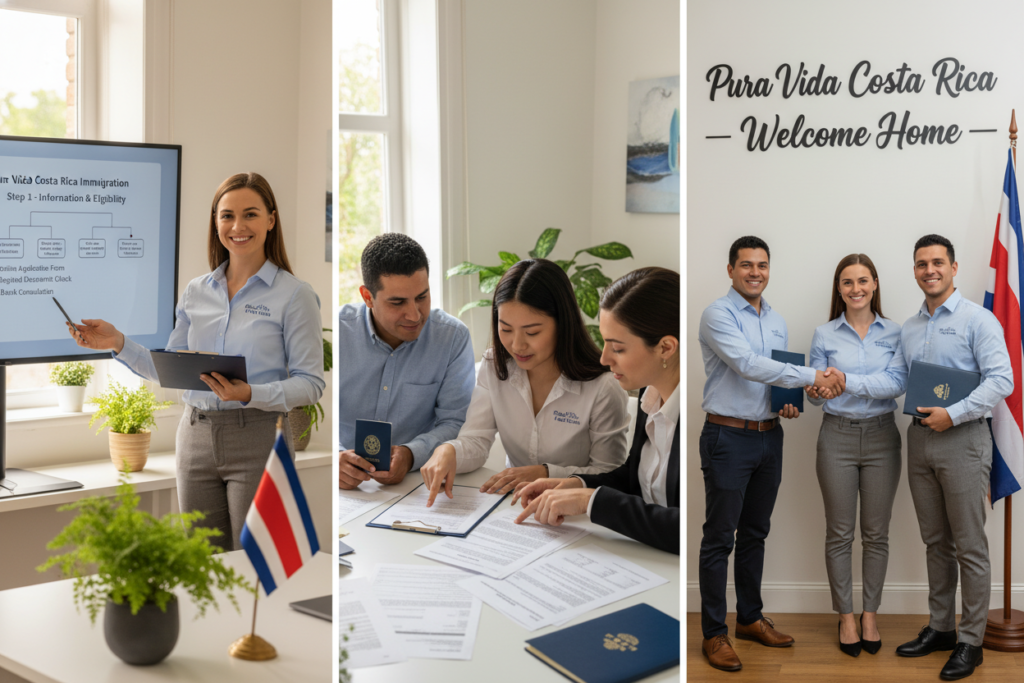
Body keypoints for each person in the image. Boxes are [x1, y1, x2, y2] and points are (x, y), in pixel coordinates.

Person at [68, 172, 325, 551]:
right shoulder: (195, 291)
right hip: (194, 438)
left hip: (257, 436)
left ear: (271, 220)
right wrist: (119, 343)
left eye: (250, 214)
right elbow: (171, 368)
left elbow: (310, 384)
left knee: (254, 569)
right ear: (215, 222)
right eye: (226, 216)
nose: (237, 226)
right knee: (201, 567)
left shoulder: (295, 295)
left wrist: (250, 392)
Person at [697, 235, 846, 672]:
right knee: (719, 538)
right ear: (730, 270)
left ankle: (749, 618)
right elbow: (746, 364)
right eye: (746, 265)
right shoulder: (716, 314)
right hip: (727, 438)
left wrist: (789, 399)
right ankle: (714, 633)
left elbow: (774, 378)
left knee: (756, 533)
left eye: (762, 265)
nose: (755, 272)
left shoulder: (776, 320)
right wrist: (811, 375)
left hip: (769, 435)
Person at [894, 234, 1012, 681]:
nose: (930, 270)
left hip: (963, 440)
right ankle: (942, 628)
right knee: (935, 542)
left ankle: (971, 641)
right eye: (922, 263)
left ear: (954, 267)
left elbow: (1002, 380)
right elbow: (898, 381)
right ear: (916, 270)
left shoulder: (977, 320)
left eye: (938, 262)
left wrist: (954, 413)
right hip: (919, 440)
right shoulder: (908, 327)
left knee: (969, 545)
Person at [419, 258, 629, 506]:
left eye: (532, 332)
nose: (517, 345)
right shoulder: (494, 365)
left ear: (563, 324)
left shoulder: (603, 385)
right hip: (513, 505)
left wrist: (546, 473)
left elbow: (610, 475)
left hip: (576, 512)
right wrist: (449, 451)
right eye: (505, 329)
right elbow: (476, 440)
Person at [512, 267, 680, 555]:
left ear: (665, 347)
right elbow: (634, 477)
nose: (604, 358)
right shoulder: (650, 394)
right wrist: (575, 485)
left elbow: (686, 527)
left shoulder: (701, 416)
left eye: (617, 348)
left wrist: (591, 501)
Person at [805, 254, 908, 657]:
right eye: (847, 282)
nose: (856, 289)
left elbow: (896, 383)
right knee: (840, 533)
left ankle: (870, 614)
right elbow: (816, 393)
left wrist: (846, 381)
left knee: (876, 534)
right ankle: (846, 616)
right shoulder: (824, 334)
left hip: (884, 437)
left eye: (863, 280)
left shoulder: (896, 332)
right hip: (837, 437)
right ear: (839, 289)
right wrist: (818, 390)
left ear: (876, 284)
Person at [336, 233, 475, 490]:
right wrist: (335, 458)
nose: (414, 314)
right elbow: (313, 413)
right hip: (342, 489)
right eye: (398, 302)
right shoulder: (337, 333)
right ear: (367, 297)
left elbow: (456, 422)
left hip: (417, 484)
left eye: (422, 297)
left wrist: (412, 454)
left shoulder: (453, 337)